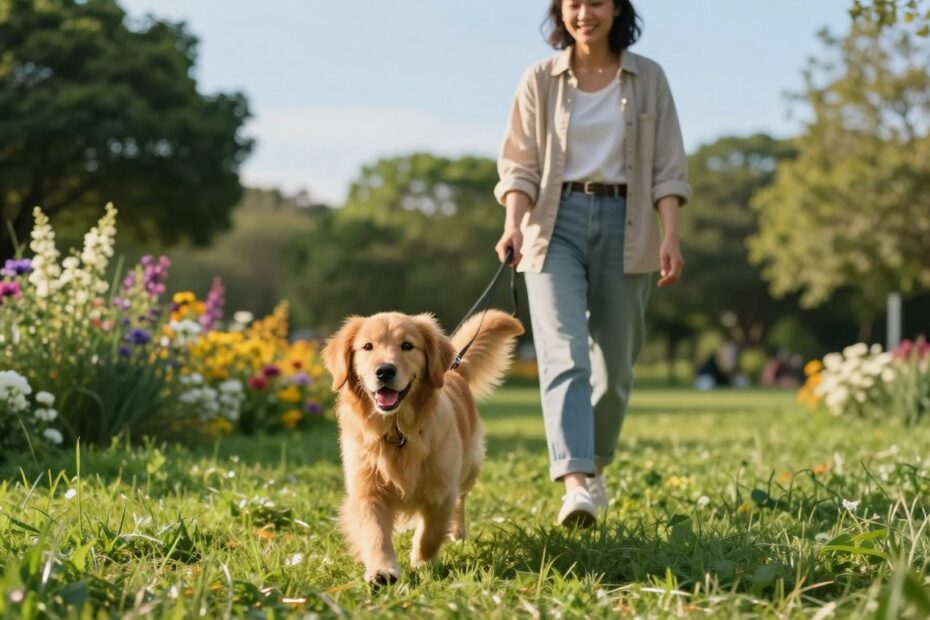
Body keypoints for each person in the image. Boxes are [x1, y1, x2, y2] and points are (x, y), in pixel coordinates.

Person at [493, 0, 690, 527]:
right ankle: (576, 483)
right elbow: (520, 163)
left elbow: (669, 164)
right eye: (574, 3)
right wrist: (513, 223)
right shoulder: (539, 79)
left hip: (630, 223)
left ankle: (595, 465)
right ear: (560, 11)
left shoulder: (649, 78)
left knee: (616, 367)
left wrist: (670, 234)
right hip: (553, 222)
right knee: (563, 353)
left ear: (617, 9)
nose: (585, 14)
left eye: (597, 2)